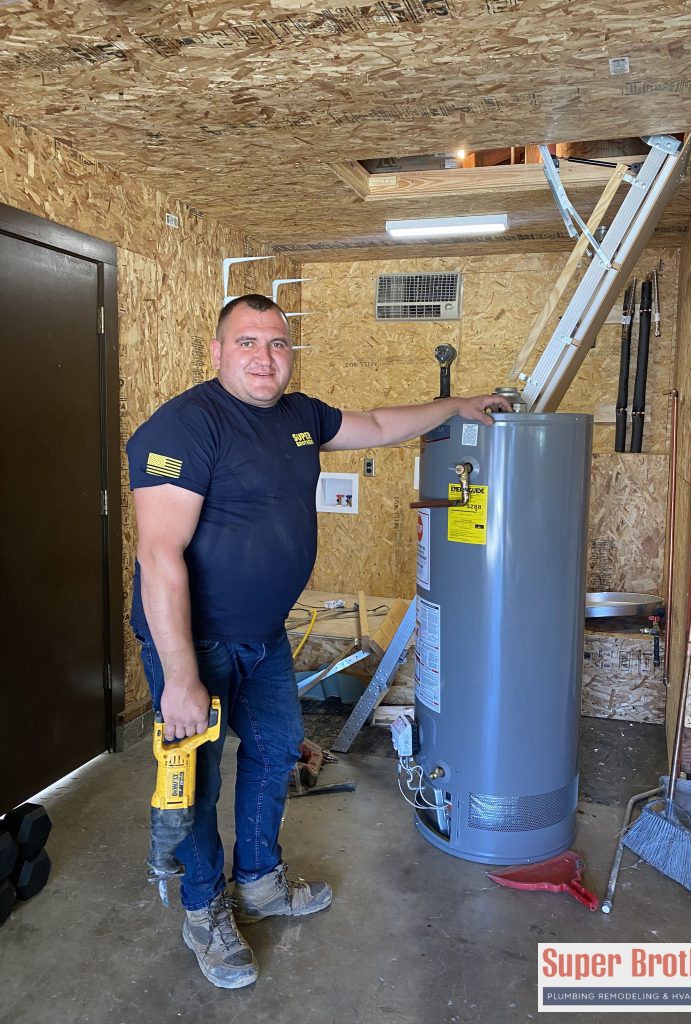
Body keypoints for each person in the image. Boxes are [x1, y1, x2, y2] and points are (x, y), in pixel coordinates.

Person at [127, 293, 511, 989]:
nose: (265, 357)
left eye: (277, 343)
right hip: (196, 643)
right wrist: (181, 673)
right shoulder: (182, 429)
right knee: (198, 782)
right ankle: (204, 909)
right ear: (216, 352)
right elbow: (159, 557)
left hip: (264, 637)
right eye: (247, 342)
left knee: (275, 753)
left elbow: (380, 424)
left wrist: (456, 406)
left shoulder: (301, 417)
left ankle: (259, 883)